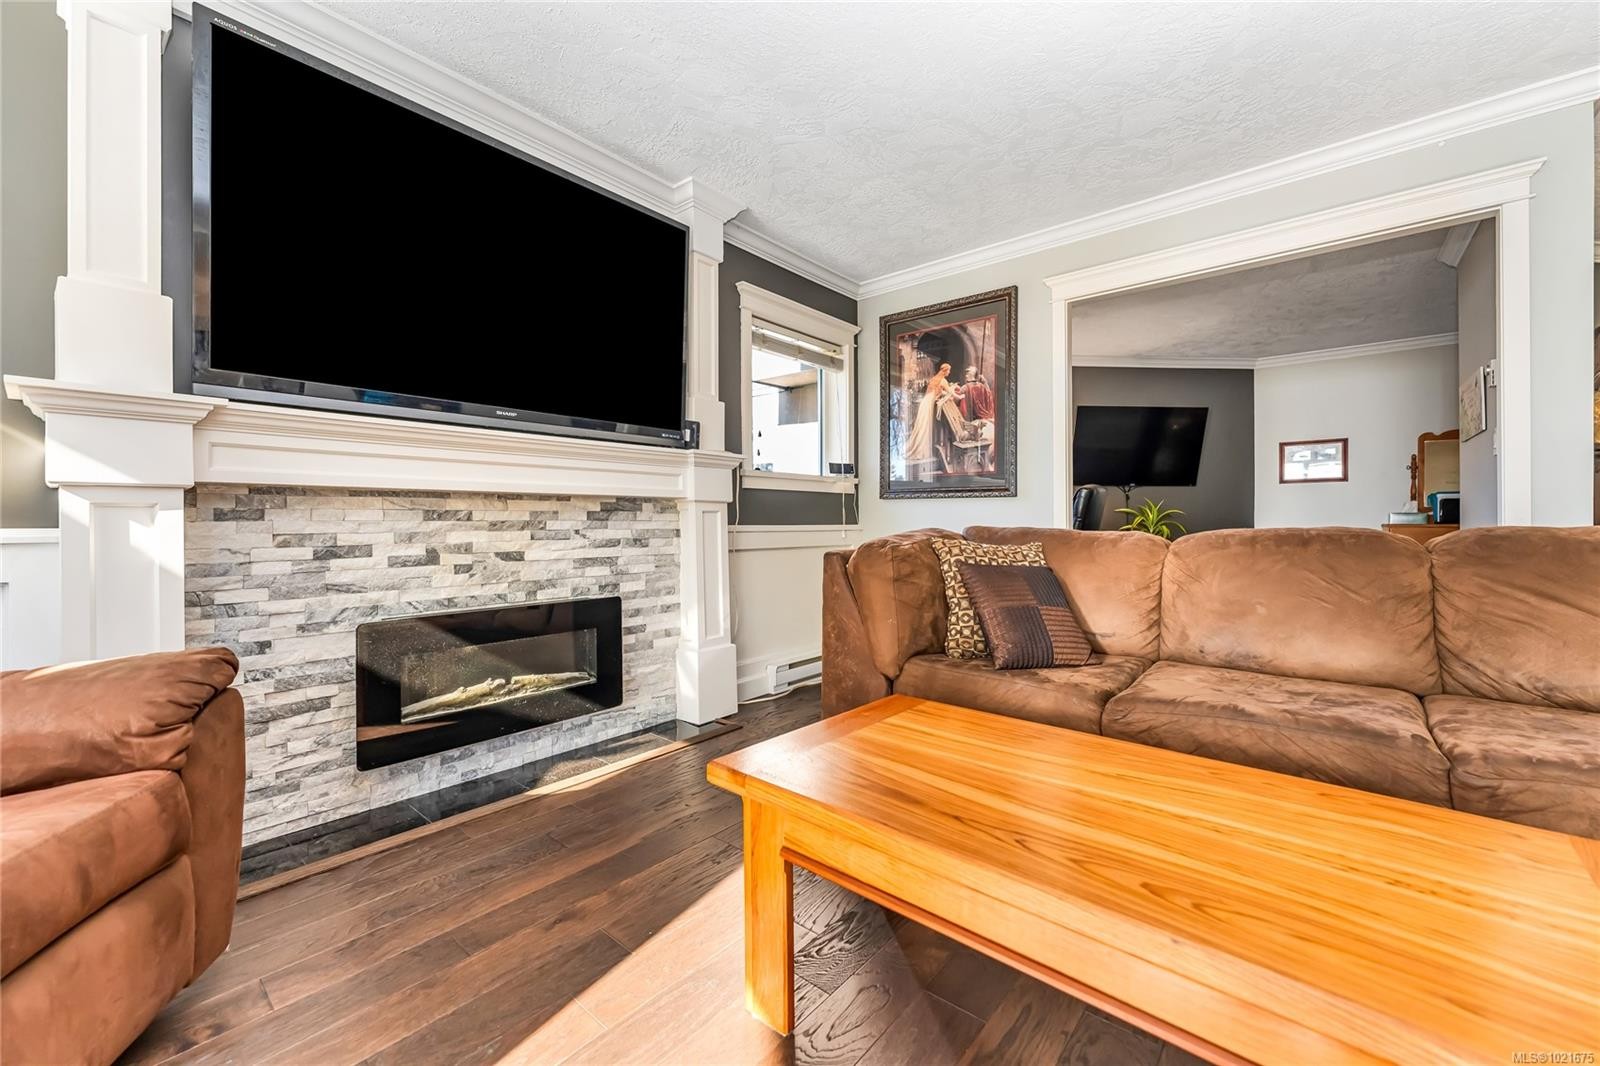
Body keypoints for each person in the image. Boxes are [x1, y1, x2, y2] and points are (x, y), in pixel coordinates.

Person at [906, 361, 953, 475]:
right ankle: (920, 451)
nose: (949, 372)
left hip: (925, 403)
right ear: (945, 371)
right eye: (949, 370)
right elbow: (951, 393)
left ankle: (918, 448)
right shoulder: (943, 380)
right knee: (925, 427)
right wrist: (959, 394)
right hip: (928, 405)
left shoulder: (934, 379)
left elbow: (938, 391)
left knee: (921, 426)